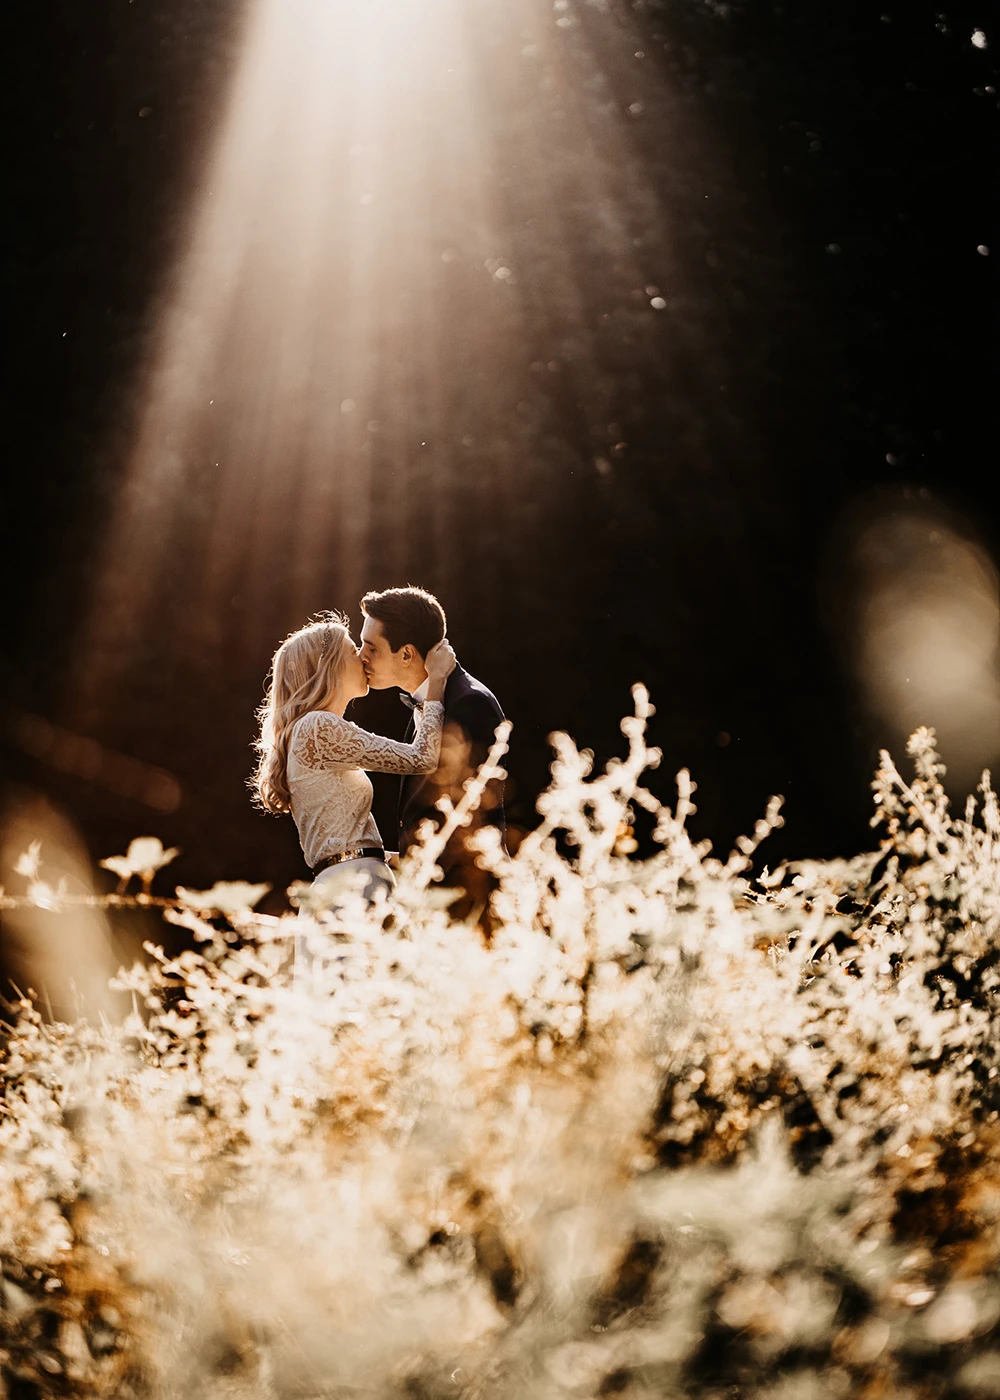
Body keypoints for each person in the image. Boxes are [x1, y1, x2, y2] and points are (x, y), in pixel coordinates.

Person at [251, 612, 456, 906]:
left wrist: (402, 861)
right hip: (353, 890)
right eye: (353, 650)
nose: (362, 657)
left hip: (346, 883)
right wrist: (436, 680)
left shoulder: (312, 730)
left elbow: (340, 840)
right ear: (329, 667)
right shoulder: (318, 727)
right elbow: (422, 757)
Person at [359, 586, 505, 918]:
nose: (361, 656)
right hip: (429, 892)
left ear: (407, 654)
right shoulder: (429, 704)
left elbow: (472, 810)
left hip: (463, 896)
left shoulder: (469, 703)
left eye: (371, 647)